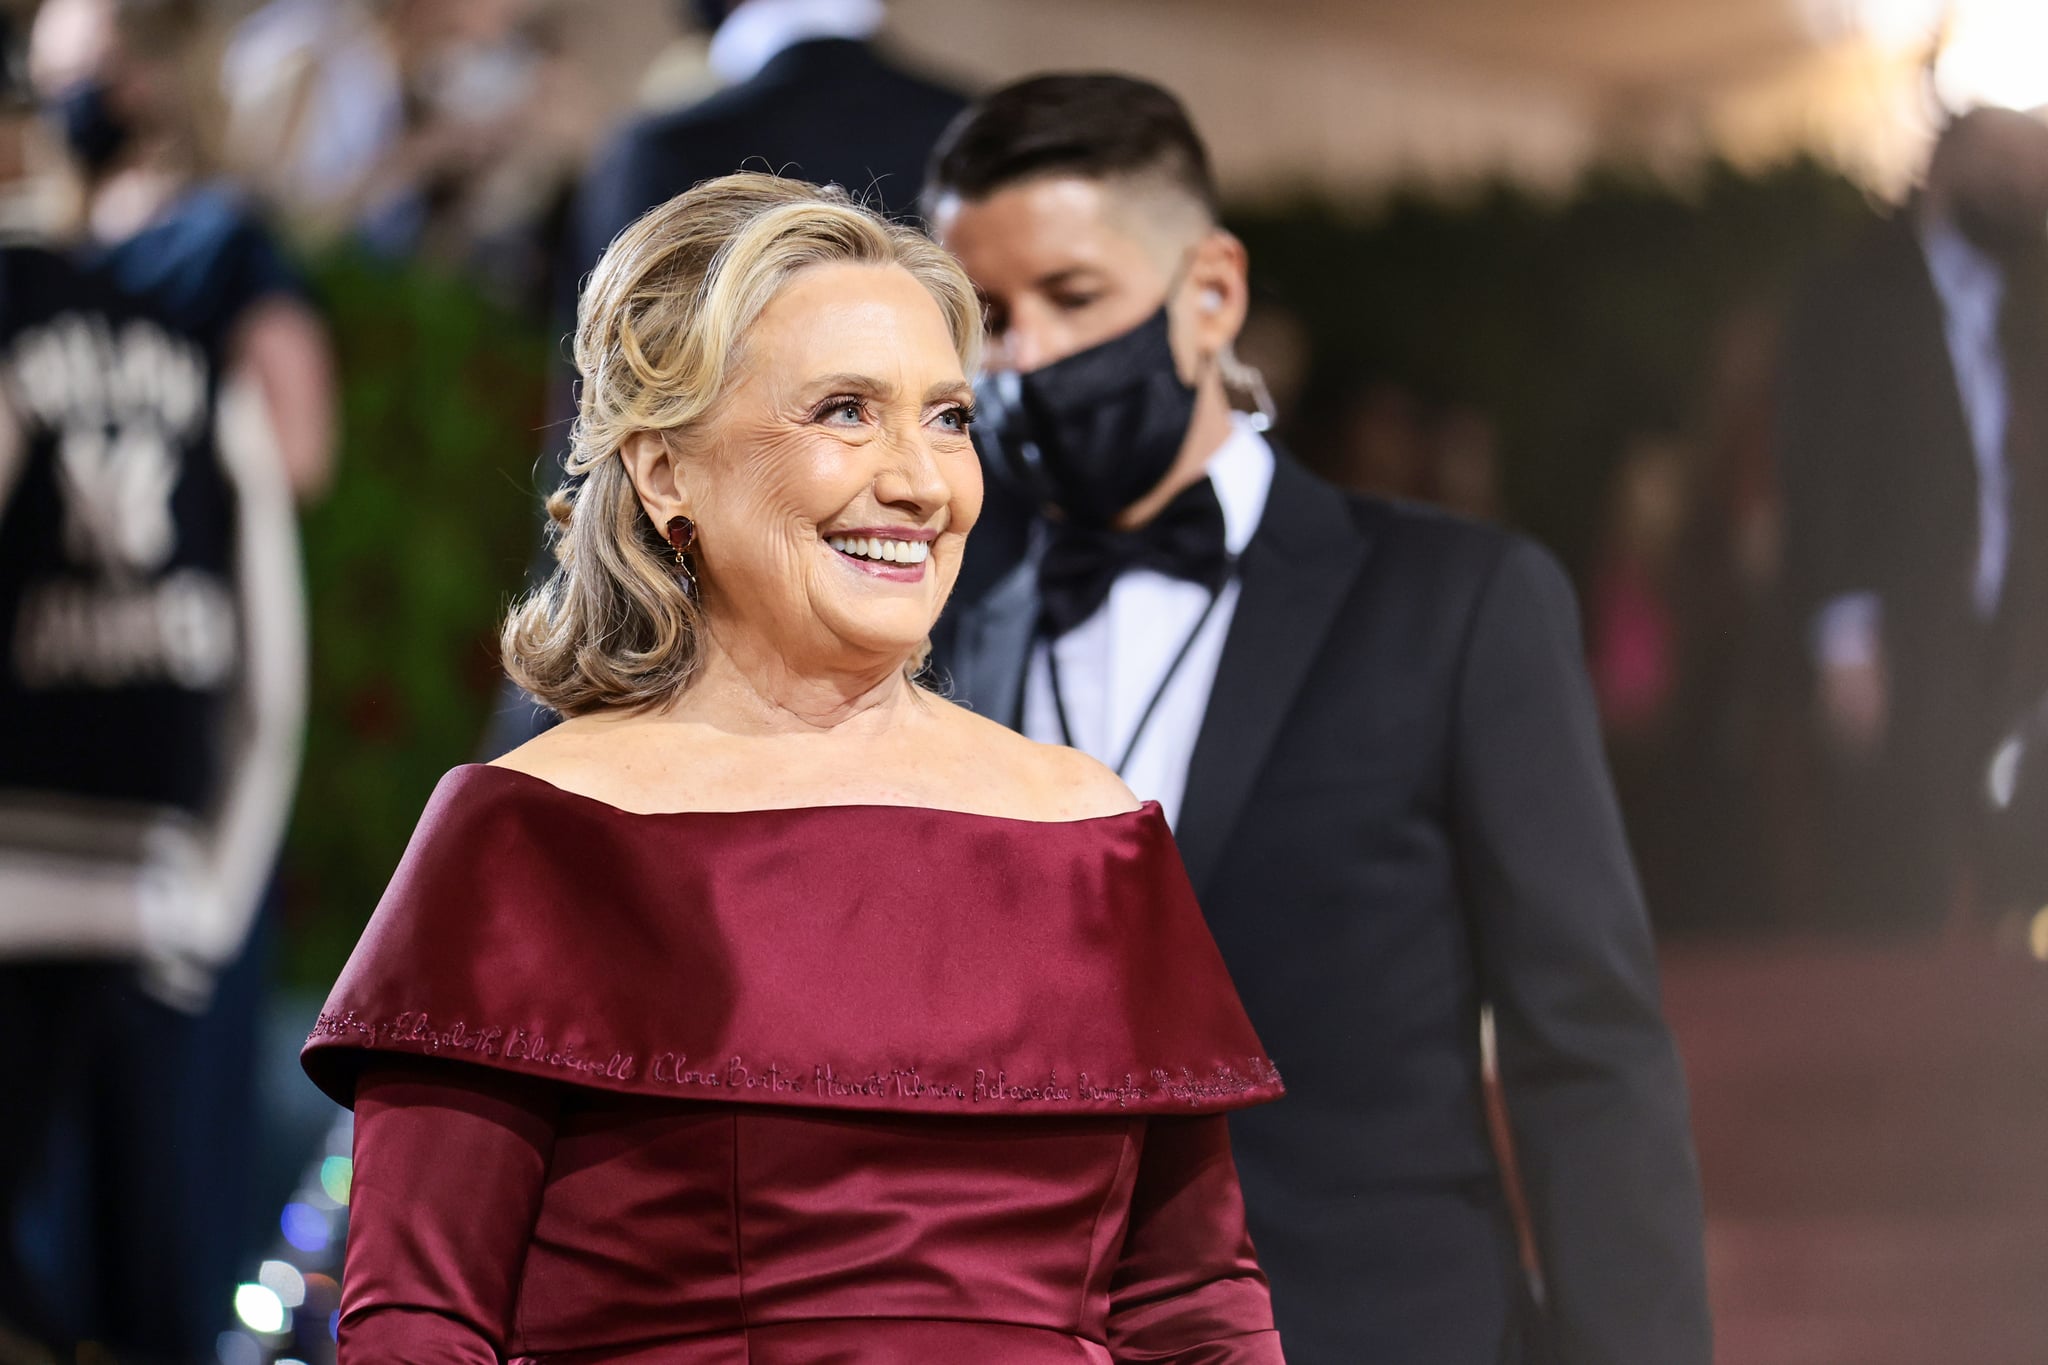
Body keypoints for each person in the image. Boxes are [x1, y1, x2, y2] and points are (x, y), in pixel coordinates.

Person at [302, 172, 1288, 1362]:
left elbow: (1199, 1317)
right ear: (666, 472)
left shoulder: (1095, 840)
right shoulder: (528, 838)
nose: (921, 483)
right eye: (842, 412)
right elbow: (419, 1328)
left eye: (947, 417)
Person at [924, 75, 1710, 1365]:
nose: (1025, 360)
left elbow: (1589, 1057)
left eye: (1072, 299)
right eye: (985, 320)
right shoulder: (944, 644)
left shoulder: (1458, 605)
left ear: (1209, 294)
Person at [0, 9, 307, 1353]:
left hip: (94, 842)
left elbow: (295, 453)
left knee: (120, 1244)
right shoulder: (133, 304)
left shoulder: (202, 265)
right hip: (119, 844)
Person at [483, 0, 1014, 754]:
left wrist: (546, 728)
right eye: (843, 409)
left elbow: (599, 448)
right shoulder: (987, 139)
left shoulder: (667, 149)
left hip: (694, 714)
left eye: (947, 418)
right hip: (971, 684)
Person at [1779, 106, 2048, 932]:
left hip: (2007, 623)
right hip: (1903, 626)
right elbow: (1821, 465)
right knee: (1903, 866)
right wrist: (1845, 638)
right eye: (2005, 174)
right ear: (1944, 171)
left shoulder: (2024, 299)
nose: (2022, 197)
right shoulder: (1857, 291)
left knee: (2004, 848)